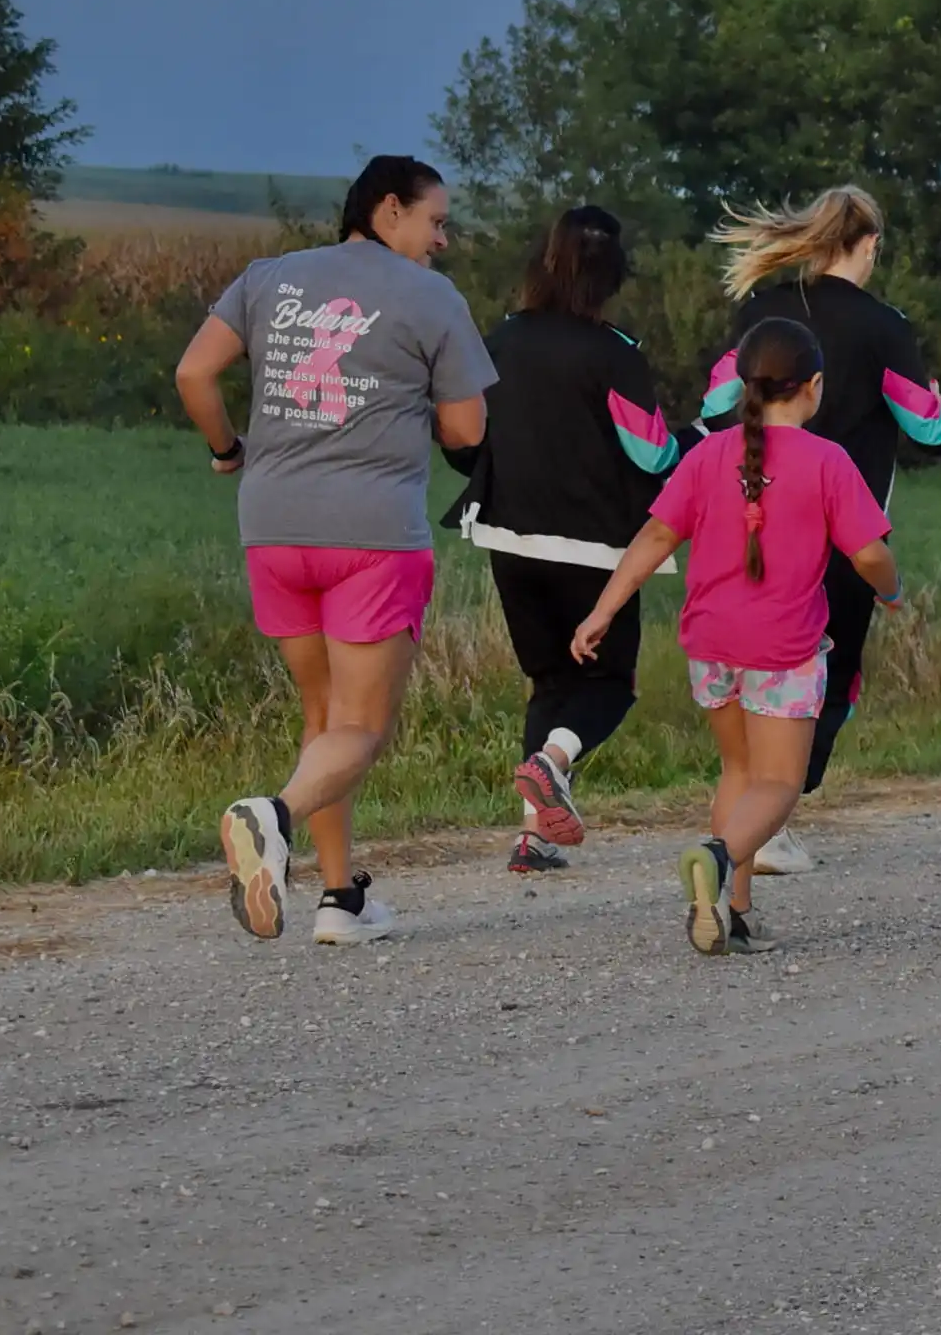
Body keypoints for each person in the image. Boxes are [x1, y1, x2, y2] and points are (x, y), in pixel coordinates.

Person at [177, 155, 497, 946]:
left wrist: (227, 449)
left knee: (323, 720)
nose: (442, 240)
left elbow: (194, 373)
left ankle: (339, 900)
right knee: (361, 728)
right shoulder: (432, 298)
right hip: (373, 535)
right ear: (389, 211)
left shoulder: (267, 278)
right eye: (435, 220)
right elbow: (467, 431)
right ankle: (271, 816)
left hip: (274, 527)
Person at [575, 319, 903, 953]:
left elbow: (655, 537)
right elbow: (868, 554)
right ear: (813, 386)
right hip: (783, 650)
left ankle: (736, 913)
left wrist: (602, 611)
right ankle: (718, 858)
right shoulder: (827, 460)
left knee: (739, 769)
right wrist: (891, 590)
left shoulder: (706, 454)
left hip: (711, 643)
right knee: (778, 783)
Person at [704, 187, 941, 873]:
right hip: (840, 537)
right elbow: (926, 429)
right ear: (870, 244)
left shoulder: (761, 309)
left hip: (750, 525)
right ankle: (771, 823)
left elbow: (714, 403)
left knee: (753, 673)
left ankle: (745, 814)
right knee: (830, 677)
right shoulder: (885, 326)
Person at [443, 206, 683, 873]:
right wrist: (692, 440)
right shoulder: (615, 352)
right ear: (613, 277)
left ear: (543, 264)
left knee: (548, 680)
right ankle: (553, 762)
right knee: (611, 683)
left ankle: (533, 839)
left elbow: (465, 431)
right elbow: (649, 452)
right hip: (595, 549)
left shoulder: (502, 339)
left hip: (507, 535)